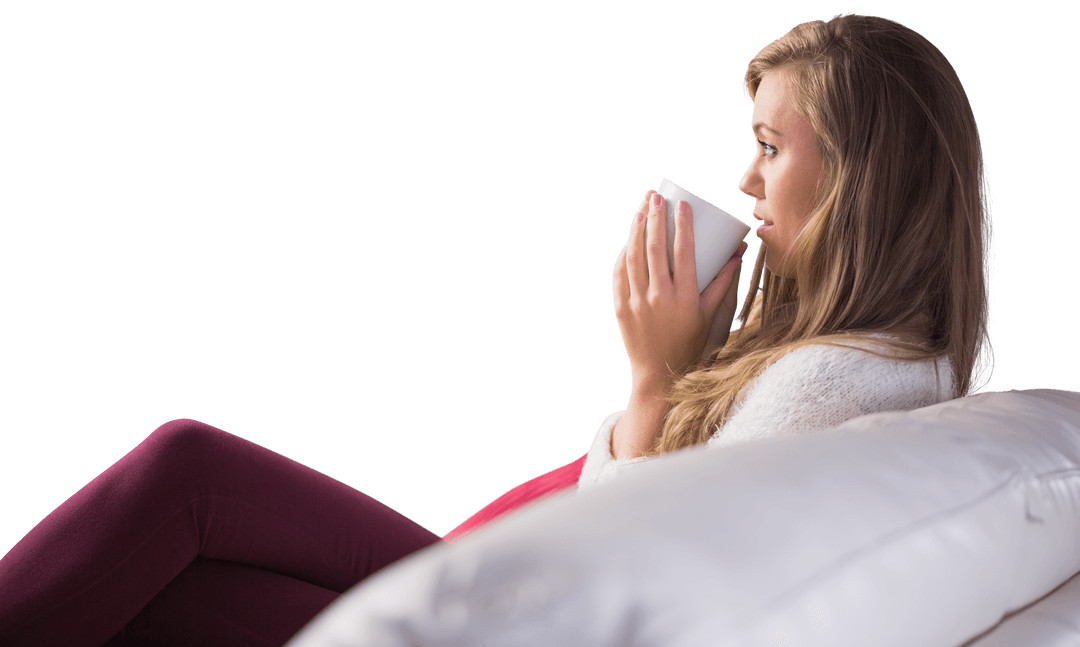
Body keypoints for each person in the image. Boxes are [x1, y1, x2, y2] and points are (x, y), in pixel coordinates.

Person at [0, 12, 995, 647]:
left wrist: (654, 380)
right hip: (515, 588)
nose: (744, 181)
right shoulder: (898, 363)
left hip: (523, 608)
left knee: (189, 472)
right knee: (169, 578)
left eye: (770, 148)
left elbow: (639, 573)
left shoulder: (828, 386)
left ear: (860, 174)